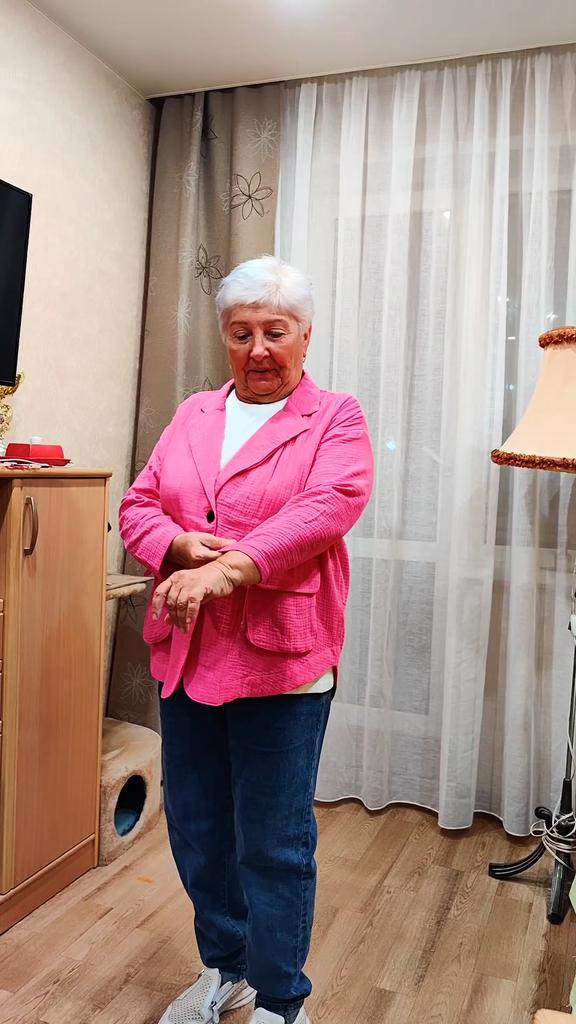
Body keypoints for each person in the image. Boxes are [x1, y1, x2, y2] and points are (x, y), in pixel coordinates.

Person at [119, 256, 374, 1024]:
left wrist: (225, 569)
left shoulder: (336, 417)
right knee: (199, 831)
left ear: (305, 335)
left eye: (275, 331)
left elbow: (326, 507)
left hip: (281, 661)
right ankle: (227, 969)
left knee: (273, 842)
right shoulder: (195, 413)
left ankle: (281, 999)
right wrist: (176, 545)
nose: (258, 349)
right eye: (241, 333)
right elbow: (138, 506)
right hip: (189, 654)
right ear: (225, 338)